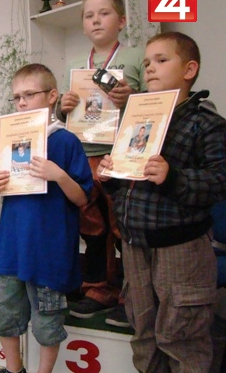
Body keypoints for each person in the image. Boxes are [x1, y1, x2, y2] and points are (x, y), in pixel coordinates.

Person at [97, 32, 226, 373]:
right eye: (146, 62)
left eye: (161, 60)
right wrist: (112, 178)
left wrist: (173, 178)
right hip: (135, 245)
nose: (150, 68)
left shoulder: (206, 124)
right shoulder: (137, 119)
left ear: (189, 69)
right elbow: (130, 186)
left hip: (181, 249)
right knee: (144, 335)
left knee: (182, 337)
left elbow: (219, 182)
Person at [0, 64, 92, 373]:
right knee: (3, 315)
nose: (21, 102)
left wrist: (58, 175)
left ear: (52, 96)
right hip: (12, 246)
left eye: (29, 95)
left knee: (47, 321)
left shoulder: (66, 141)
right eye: (16, 97)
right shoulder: (11, 139)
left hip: (48, 250)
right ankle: (14, 369)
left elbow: (82, 198)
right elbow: (10, 188)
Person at [55, 0, 145, 324]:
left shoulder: (137, 57)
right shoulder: (76, 66)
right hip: (84, 155)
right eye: (89, 15)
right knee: (92, 228)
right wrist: (61, 107)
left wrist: (132, 98)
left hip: (122, 156)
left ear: (121, 21)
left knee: (124, 227)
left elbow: (156, 107)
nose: (96, 20)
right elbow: (66, 114)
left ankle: (132, 295)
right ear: (82, 25)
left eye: (104, 13)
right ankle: (97, 289)